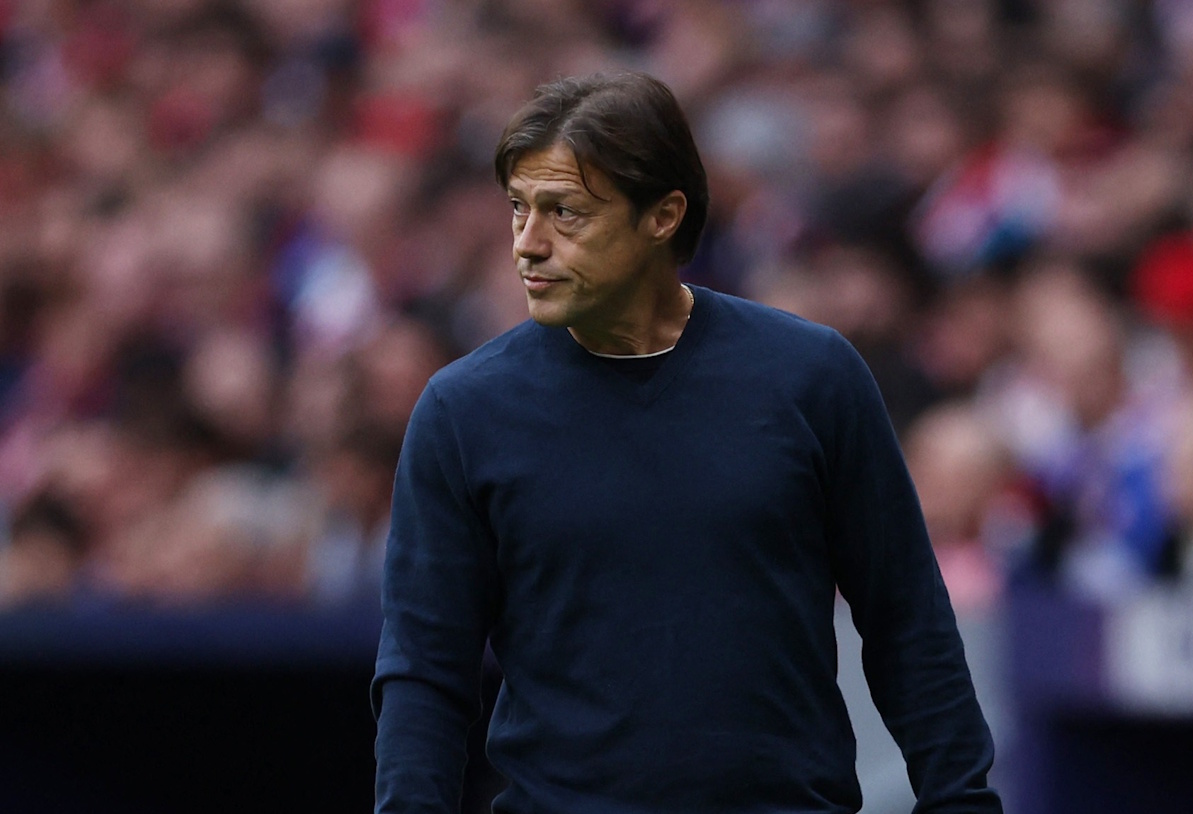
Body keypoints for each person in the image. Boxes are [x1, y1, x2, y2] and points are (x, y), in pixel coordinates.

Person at [372, 71, 1002, 814]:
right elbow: (424, 670)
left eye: (565, 212)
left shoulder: (813, 377)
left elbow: (907, 621)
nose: (527, 245)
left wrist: (962, 803)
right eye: (518, 207)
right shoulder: (462, 411)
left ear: (664, 215)